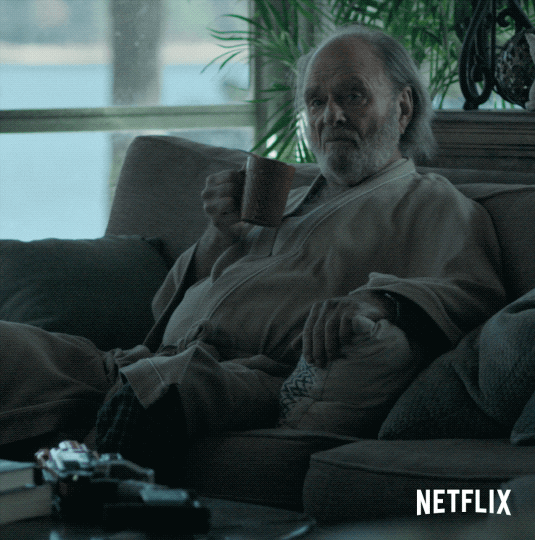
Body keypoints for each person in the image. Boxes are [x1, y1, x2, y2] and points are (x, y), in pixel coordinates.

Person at [0, 25, 506, 471]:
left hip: (242, 377)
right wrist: (220, 233)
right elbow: (162, 309)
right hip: (135, 360)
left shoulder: (430, 201)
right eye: (315, 102)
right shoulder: (284, 198)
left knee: (159, 390)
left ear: (403, 107)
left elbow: (474, 294)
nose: (331, 115)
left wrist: (379, 301)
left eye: (352, 96)